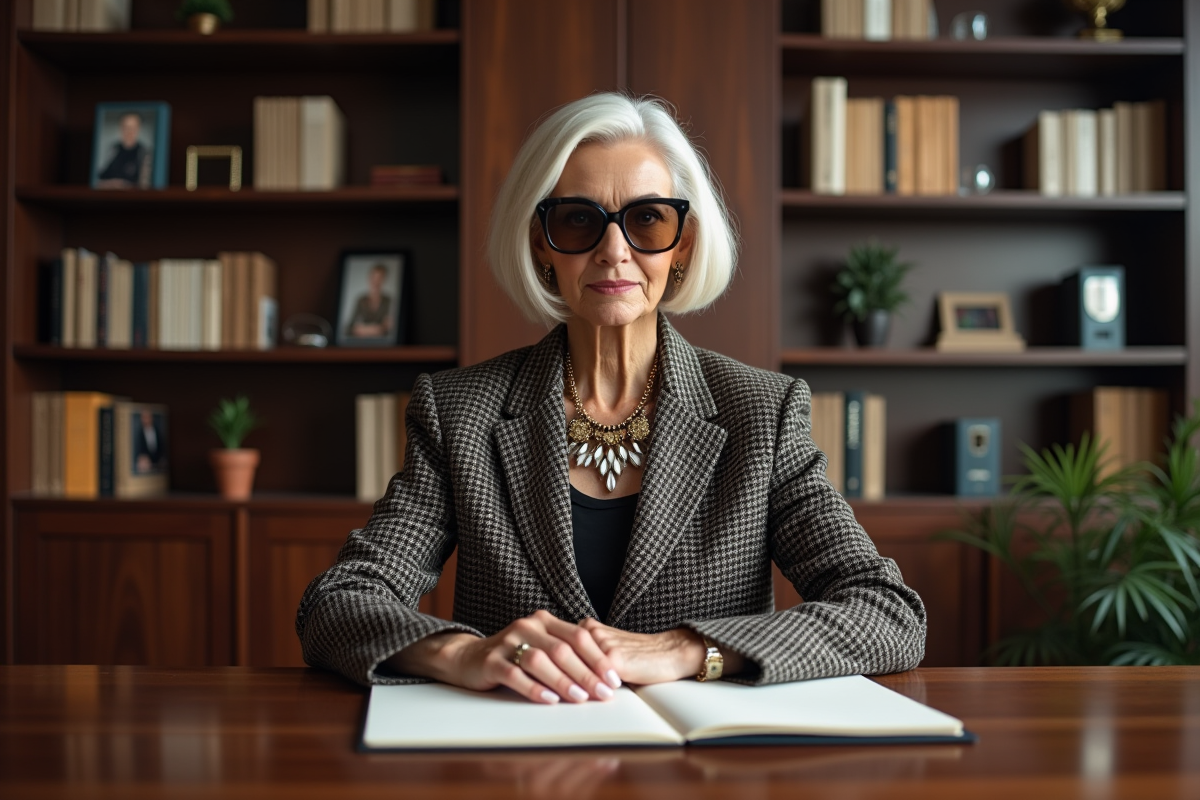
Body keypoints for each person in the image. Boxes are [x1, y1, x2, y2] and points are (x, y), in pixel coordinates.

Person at [297, 93, 925, 705]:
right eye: (578, 219)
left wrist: (686, 649)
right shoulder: (459, 410)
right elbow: (340, 601)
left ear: (682, 243)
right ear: (542, 242)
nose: (614, 250)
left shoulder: (762, 411)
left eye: (648, 218)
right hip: (516, 760)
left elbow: (885, 611)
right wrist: (462, 653)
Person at [96, 112, 152, 189]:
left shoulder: (143, 153)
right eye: (126, 127)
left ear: (138, 129)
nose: (129, 132)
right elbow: (99, 178)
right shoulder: (113, 149)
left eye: (133, 128)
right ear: (121, 128)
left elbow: (144, 185)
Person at [344, 263, 394, 339]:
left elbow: (390, 327)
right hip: (362, 342)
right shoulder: (361, 300)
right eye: (374, 277)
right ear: (369, 278)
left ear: (384, 279)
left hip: (382, 343)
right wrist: (370, 330)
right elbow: (349, 328)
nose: (376, 282)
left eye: (379, 278)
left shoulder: (389, 301)